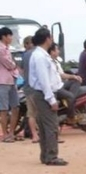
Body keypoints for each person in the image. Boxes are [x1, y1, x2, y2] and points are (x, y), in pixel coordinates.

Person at [27, 28, 66, 165]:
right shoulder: (40, 57)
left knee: (45, 126)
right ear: (47, 39)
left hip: (42, 93)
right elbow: (44, 80)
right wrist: (51, 99)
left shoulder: (41, 55)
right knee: (51, 126)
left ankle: (46, 155)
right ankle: (51, 156)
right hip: (44, 94)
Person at [48, 43, 83, 126]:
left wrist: (74, 77)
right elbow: (60, 75)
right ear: (52, 51)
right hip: (55, 87)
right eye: (57, 50)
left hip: (60, 84)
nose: (58, 52)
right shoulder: (48, 62)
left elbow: (62, 74)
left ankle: (70, 101)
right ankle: (70, 116)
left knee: (76, 81)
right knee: (70, 96)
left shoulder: (56, 62)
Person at [0, 27, 18, 142]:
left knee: (15, 107)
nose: (11, 38)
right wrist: (14, 65)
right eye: (10, 36)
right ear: (4, 36)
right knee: (4, 109)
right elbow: (9, 64)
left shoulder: (6, 49)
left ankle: (11, 132)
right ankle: (5, 134)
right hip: (2, 82)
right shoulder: (1, 49)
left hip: (11, 80)